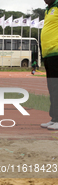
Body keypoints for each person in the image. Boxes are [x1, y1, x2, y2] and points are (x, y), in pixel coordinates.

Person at [40, 0, 58, 130]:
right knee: (52, 87)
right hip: (48, 54)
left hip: (57, 52)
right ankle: (54, 118)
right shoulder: (48, 9)